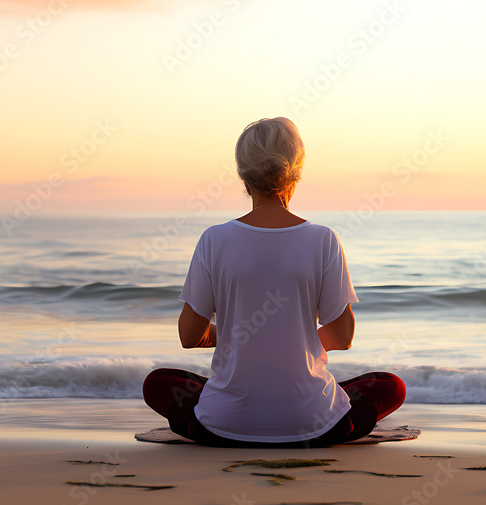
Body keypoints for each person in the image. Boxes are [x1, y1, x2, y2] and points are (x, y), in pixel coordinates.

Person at [142, 116, 406, 448]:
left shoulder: (214, 239)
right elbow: (343, 336)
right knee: (390, 385)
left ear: (242, 175)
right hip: (316, 428)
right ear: (295, 172)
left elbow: (189, 335)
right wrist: (295, 341)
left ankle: (236, 419)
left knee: (159, 383)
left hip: (220, 428)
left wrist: (242, 336)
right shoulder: (323, 239)